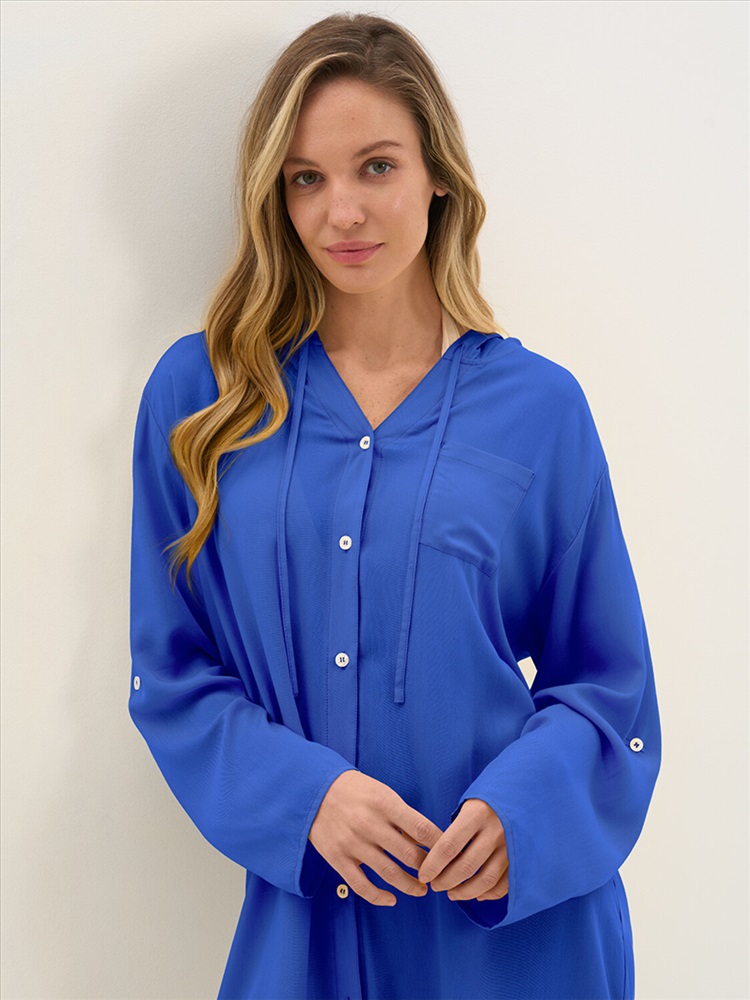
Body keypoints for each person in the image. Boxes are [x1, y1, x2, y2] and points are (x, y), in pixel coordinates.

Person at [128, 12, 661, 1000]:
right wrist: (305, 798)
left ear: (437, 176)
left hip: (516, 933)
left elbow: (609, 685)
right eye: (306, 178)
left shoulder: (542, 408)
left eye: (376, 166)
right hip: (310, 923)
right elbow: (171, 673)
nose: (343, 212)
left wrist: (523, 815)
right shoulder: (202, 397)